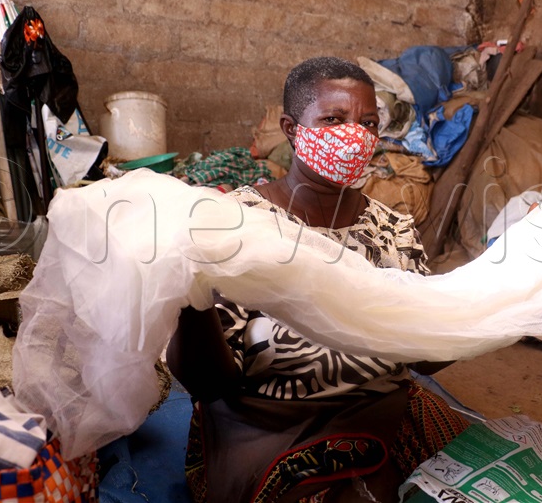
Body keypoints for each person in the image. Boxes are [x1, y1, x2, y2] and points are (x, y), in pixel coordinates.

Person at [167, 57, 469, 503]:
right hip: (272, 429)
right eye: (333, 119)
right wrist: (190, 295)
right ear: (292, 129)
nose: (355, 135)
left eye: (368, 122)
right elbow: (212, 383)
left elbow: (422, 358)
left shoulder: (393, 230)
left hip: (386, 412)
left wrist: (502, 309)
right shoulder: (237, 227)